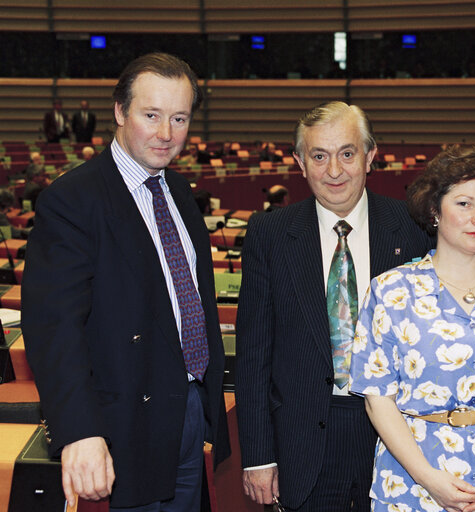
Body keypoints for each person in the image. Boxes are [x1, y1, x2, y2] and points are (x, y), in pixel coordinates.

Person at [21, 52, 231, 510]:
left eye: (178, 118)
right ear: (119, 111)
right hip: (121, 424)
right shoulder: (72, 200)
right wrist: (79, 430)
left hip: (190, 412)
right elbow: (53, 327)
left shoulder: (178, 192)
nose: (165, 134)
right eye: (150, 115)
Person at [235, 101, 433, 511]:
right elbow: (253, 354)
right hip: (303, 443)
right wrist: (258, 455)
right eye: (319, 156)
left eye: (347, 153)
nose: (335, 171)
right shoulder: (269, 234)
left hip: (397, 440)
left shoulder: (413, 229)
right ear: (300, 163)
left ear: (370, 156)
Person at [349, 146, 475, 512]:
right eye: (464, 204)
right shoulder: (391, 291)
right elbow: (378, 397)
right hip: (414, 485)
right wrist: (427, 477)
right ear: (434, 210)